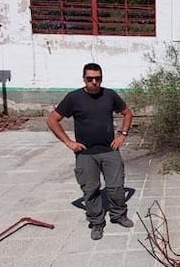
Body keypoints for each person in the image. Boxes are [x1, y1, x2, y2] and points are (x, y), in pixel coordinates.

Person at [47, 63, 134, 240]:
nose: (94, 82)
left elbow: (127, 113)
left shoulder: (109, 95)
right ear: (84, 79)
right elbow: (52, 120)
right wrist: (68, 142)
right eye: (90, 79)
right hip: (85, 154)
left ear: (101, 78)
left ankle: (118, 215)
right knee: (91, 189)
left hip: (109, 151)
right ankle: (96, 222)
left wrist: (122, 135)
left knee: (116, 186)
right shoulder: (74, 98)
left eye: (98, 78)